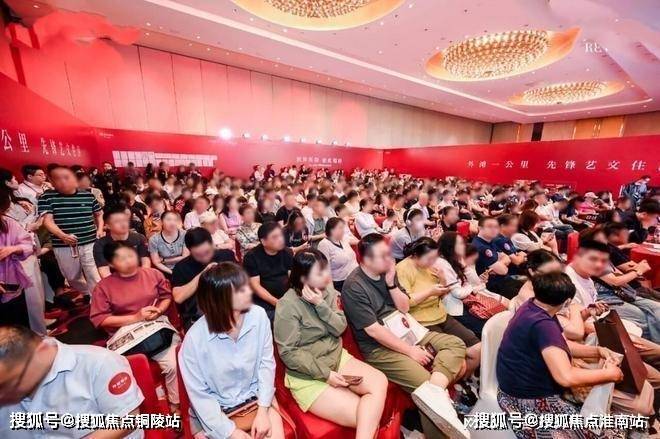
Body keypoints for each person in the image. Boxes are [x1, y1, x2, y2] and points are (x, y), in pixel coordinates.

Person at [341, 234, 468, 439]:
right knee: (426, 388)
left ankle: (436, 391)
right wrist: (410, 351)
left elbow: (404, 307)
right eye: (383, 255)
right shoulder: (354, 286)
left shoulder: (388, 272)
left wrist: (391, 284)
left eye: (388, 253)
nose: (390, 259)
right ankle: (436, 412)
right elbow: (374, 330)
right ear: (366, 260)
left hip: (406, 329)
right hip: (379, 346)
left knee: (455, 344)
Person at [274, 249, 387, 438]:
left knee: (379, 382)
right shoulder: (287, 305)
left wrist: (320, 304)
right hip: (307, 373)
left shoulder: (327, 291)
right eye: (320, 273)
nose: (327, 275)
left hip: (335, 356)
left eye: (326, 269)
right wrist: (325, 374)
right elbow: (289, 353)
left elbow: (340, 327)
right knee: (365, 417)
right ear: (303, 278)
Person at [496, 273, 624, 439]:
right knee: (607, 431)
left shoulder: (532, 306)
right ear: (567, 302)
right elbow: (565, 377)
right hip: (526, 400)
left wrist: (598, 351)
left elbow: (559, 346)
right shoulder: (543, 325)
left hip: (518, 388)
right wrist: (610, 374)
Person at [178, 263, 286, 439]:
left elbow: (266, 365)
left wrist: (263, 411)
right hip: (216, 410)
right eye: (240, 289)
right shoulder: (194, 341)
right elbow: (200, 396)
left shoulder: (258, 316)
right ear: (218, 300)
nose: (248, 291)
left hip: (256, 398)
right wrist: (230, 432)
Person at [0, 325, 144, 438]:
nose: (2, 395)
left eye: (9, 384)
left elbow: (128, 420)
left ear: (41, 353)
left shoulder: (99, 363)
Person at [90, 242, 180, 412]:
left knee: (174, 363)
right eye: (122, 258)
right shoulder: (103, 287)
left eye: (131, 255)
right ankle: (140, 407)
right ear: (111, 264)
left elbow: (166, 297)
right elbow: (100, 319)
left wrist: (159, 310)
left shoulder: (153, 274)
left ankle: (175, 403)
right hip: (125, 333)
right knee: (120, 372)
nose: (129, 261)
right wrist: (135, 318)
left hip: (155, 327)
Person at [396, 237, 481, 377]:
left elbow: (442, 293)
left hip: (440, 314)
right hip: (421, 321)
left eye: (434, 258)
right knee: (457, 360)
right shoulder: (402, 269)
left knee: (478, 349)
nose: (432, 262)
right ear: (416, 255)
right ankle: (452, 382)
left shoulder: (431, 266)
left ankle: (464, 380)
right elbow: (405, 303)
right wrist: (430, 292)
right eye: (429, 258)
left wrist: (442, 279)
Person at [566, 240, 660, 343]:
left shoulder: (586, 277)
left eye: (603, 261)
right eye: (593, 259)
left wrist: (594, 308)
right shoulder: (569, 282)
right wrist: (614, 333)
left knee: (646, 319)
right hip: (589, 329)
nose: (599, 265)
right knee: (640, 324)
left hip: (604, 311)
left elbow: (587, 307)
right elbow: (572, 324)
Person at [38, 165, 103, 297]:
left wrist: (100, 229)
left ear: (74, 178)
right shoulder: (46, 197)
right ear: (51, 180)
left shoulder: (88, 195)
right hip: (64, 244)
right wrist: (62, 236)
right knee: (71, 277)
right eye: (57, 178)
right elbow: (47, 221)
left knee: (93, 273)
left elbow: (99, 214)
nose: (62, 181)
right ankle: (88, 292)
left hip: (90, 241)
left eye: (66, 177)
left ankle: (98, 299)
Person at [436, 232, 508, 339]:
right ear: (451, 246)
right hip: (456, 307)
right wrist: (471, 286)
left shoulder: (454, 260)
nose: (463, 246)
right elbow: (458, 293)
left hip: (467, 301)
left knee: (500, 318)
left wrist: (471, 276)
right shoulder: (443, 263)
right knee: (490, 329)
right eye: (460, 243)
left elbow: (473, 284)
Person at [171, 227, 235, 330]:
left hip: (228, 306)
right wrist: (203, 274)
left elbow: (239, 283)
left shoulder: (226, 255)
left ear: (212, 244)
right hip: (198, 316)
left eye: (207, 252)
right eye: (198, 255)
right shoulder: (181, 267)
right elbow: (178, 298)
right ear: (189, 250)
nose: (205, 258)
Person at [243, 222, 294, 321]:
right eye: (275, 237)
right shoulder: (251, 257)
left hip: (286, 297)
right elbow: (256, 286)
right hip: (263, 301)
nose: (280, 239)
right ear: (263, 241)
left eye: (280, 235)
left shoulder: (287, 252)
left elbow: (292, 277)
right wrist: (277, 303)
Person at [93, 204, 150, 278]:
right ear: (107, 226)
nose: (123, 224)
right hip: (115, 280)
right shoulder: (100, 244)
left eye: (125, 220)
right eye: (117, 221)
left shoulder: (139, 238)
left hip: (139, 277)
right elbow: (104, 271)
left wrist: (140, 279)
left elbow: (145, 263)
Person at [472, 216, 522, 299]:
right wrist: (501, 263)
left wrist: (499, 263)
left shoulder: (491, 241)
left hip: (504, 280)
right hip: (494, 285)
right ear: (480, 228)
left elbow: (507, 258)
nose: (494, 229)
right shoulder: (481, 247)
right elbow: (503, 271)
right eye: (490, 226)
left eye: (496, 227)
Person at [317, 217, 359, 291]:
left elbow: (358, 242)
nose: (343, 230)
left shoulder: (344, 239)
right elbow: (326, 270)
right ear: (332, 230)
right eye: (340, 228)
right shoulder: (324, 245)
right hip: (341, 282)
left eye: (343, 228)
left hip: (356, 276)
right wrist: (332, 291)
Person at [148, 210, 189, 277]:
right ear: (161, 222)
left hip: (183, 267)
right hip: (165, 270)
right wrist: (172, 273)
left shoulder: (184, 234)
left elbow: (185, 257)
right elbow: (156, 262)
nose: (172, 223)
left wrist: (164, 260)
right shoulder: (154, 239)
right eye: (168, 219)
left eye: (175, 220)